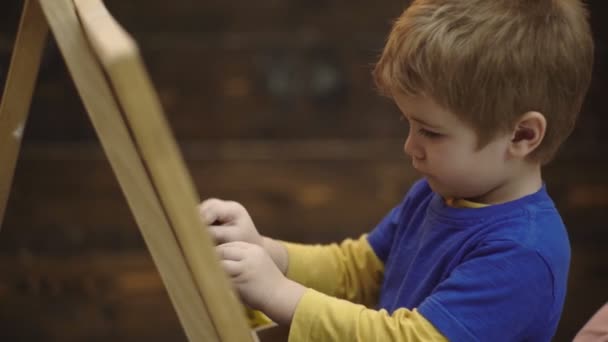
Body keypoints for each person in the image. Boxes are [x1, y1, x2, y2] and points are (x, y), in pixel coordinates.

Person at [199, 0, 594, 340]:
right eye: (410, 124)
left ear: (522, 135)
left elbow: (410, 338)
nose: (410, 147)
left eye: (431, 132)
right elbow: (358, 269)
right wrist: (264, 252)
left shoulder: (523, 253)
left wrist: (278, 293)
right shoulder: (439, 192)